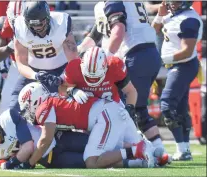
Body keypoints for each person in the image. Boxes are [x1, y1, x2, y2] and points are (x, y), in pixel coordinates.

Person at [77, 1, 167, 160]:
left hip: (134, 54)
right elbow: (96, 34)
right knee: (138, 108)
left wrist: (104, 59)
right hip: (147, 54)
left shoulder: (113, 2)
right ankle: (159, 150)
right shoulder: (108, 5)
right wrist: (78, 51)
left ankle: (135, 151)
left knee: (121, 107)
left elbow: (118, 31)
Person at [16, 82, 159, 169]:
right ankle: (150, 152)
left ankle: (137, 149)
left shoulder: (44, 107)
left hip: (104, 117)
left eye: (27, 107)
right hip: (106, 113)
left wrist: (31, 162)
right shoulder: (52, 101)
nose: (28, 112)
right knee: (111, 149)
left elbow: (45, 141)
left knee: (92, 161)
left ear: (35, 100)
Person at [152, 1, 203, 161]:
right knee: (180, 108)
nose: (171, 3)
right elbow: (154, 29)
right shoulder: (171, 14)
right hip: (175, 65)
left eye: (175, 0)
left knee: (167, 105)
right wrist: (160, 15)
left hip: (184, 65)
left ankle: (182, 148)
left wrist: (161, 59)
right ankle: (184, 150)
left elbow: (187, 51)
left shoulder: (189, 19)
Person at [9, 1, 78, 116]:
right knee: (14, 109)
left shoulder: (61, 23)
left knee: (61, 111)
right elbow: (21, 64)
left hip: (61, 70)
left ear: (48, 17)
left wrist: (61, 79)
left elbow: (74, 61)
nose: (38, 28)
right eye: (34, 25)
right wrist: (34, 75)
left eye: (41, 23)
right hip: (33, 71)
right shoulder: (20, 27)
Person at [0, 111, 89, 169]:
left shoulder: (8, 118)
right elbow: (21, 157)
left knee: (96, 145)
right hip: (51, 159)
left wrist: (9, 164)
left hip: (58, 138)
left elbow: (28, 147)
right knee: (90, 162)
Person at [60, 47, 138, 125]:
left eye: (97, 77)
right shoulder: (74, 67)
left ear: (106, 67)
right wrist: (72, 91)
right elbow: (61, 89)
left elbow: (130, 91)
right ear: (81, 67)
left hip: (112, 111)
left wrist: (129, 108)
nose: (92, 80)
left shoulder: (114, 65)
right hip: (84, 113)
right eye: (88, 76)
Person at [0, 1, 24, 114]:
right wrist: (12, 45)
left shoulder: (43, 23)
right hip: (17, 67)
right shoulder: (5, 24)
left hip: (40, 66)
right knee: (6, 108)